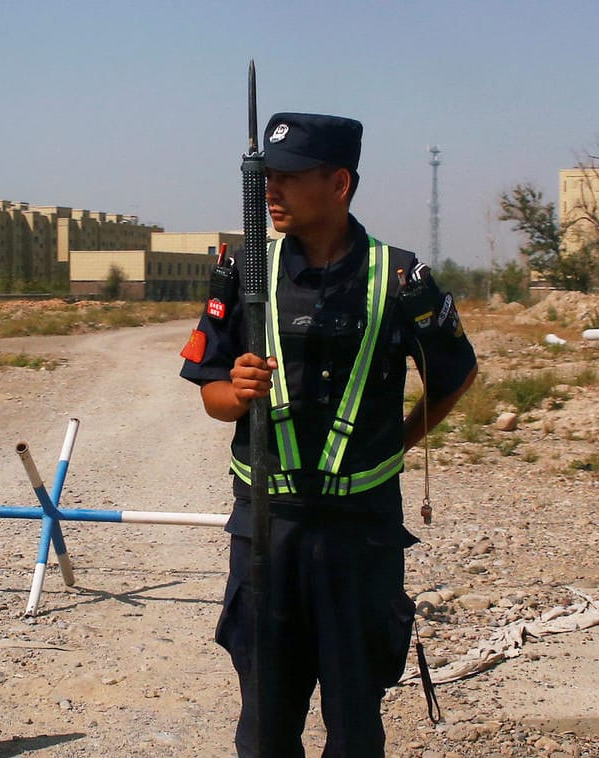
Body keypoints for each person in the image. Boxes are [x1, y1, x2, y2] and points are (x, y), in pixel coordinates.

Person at [179, 112, 477, 756]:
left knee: (355, 722)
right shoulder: (241, 271)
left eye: (287, 178)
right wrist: (238, 392)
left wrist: (397, 443)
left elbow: (455, 372)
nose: (271, 192)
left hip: (359, 531)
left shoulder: (399, 278)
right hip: (266, 525)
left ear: (338, 183)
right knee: (264, 722)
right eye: (267, 178)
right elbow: (210, 393)